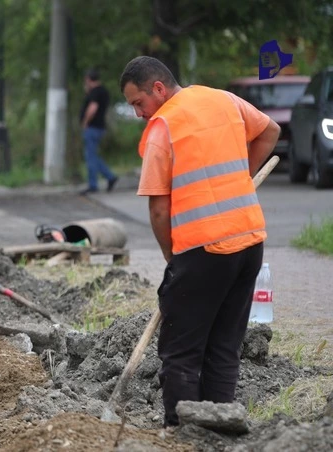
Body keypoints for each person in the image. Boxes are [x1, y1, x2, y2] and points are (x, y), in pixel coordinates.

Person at [119, 56, 280, 427]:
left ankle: (182, 434)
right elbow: (269, 131)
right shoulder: (223, 99)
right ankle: (217, 432)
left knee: (181, 353)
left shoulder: (164, 126)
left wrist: (171, 260)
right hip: (248, 242)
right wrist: (241, 178)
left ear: (158, 89)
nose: (138, 113)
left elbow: (159, 210)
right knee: (224, 348)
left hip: (201, 251)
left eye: (138, 103)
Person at [80, 68, 118, 195]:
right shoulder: (103, 91)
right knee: (93, 155)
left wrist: (85, 122)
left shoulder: (95, 93)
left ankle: (93, 184)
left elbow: (93, 108)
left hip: (93, 127)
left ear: (88, 79)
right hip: (100, 126)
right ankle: (110, 177)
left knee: (90, 157)